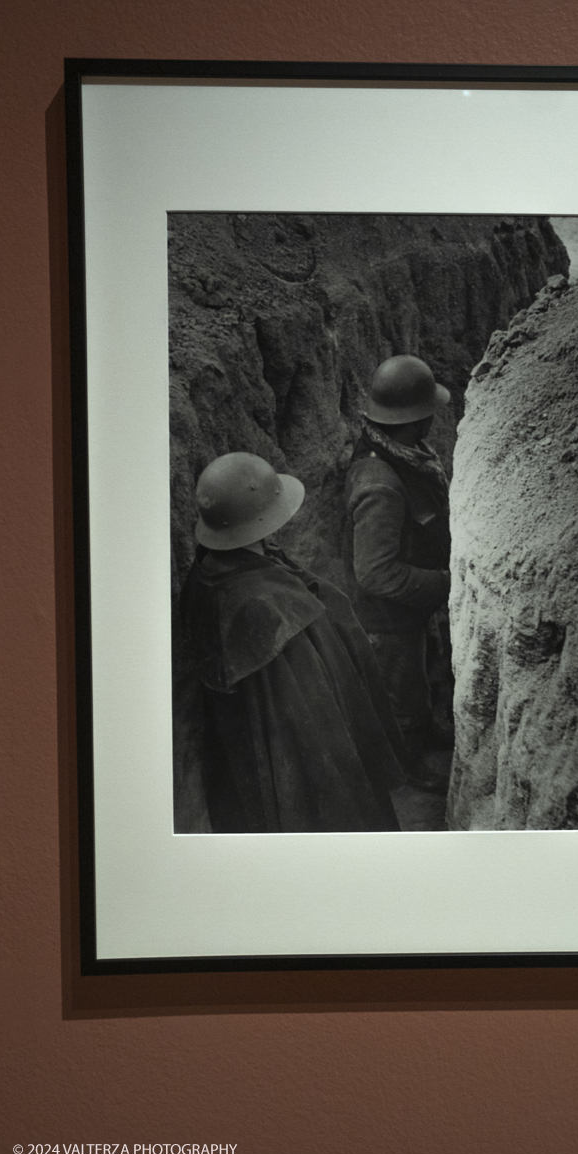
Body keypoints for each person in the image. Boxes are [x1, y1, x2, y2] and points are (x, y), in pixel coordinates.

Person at [180, 451, 405, 833]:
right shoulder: (268, 610)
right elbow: (315, 731)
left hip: (241, 763)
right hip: (293, 763)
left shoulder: (204, 575)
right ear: (263, 520)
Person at [344, 355, 453, 793]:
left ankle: (427, 734)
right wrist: (448, 585)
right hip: (384, 620)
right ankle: (409, 767)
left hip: (406, 610)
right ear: (417, 418)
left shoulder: (400, 453)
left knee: (418, 680)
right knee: (400, 698)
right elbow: (375, 573)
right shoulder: (381, 484)